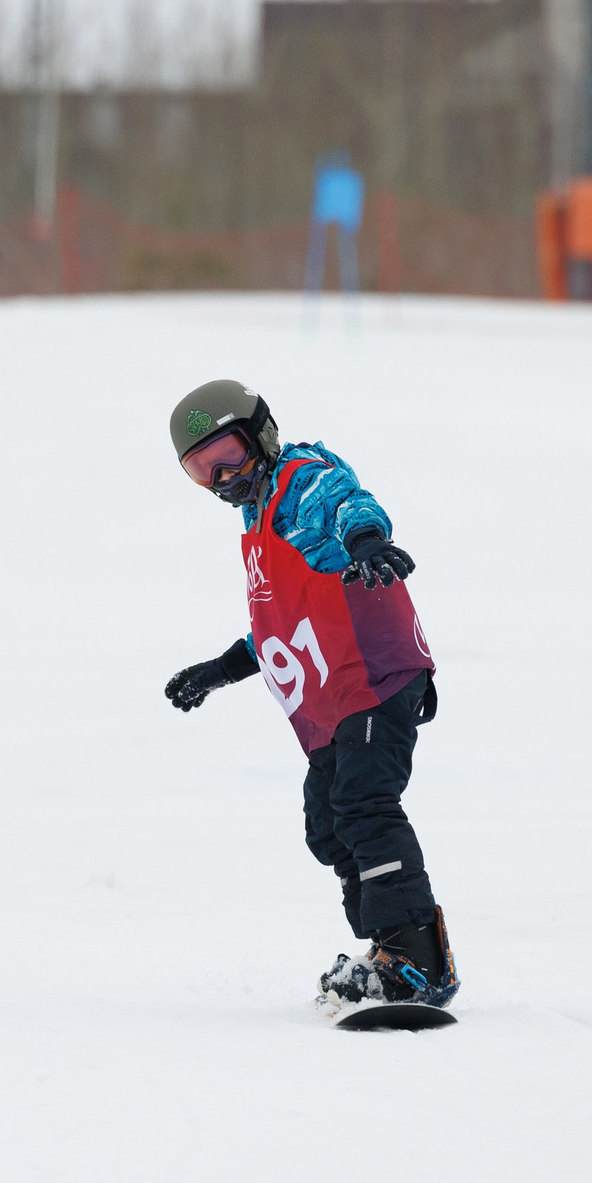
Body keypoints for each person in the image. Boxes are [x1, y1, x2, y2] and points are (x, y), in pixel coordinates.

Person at [160, 379, 459, 1016]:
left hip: (374, 675)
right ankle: (387, 952)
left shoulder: (301, 478)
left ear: (262, 435)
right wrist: (218, 670)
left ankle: (418, 957)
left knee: (363, 805)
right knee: (327, 823)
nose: (221, 479)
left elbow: (348, 504)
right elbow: (280, 622)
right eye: (200, 471)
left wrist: (368, 544)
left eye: (228, 456)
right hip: (334, 699)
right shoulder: (256, 517)